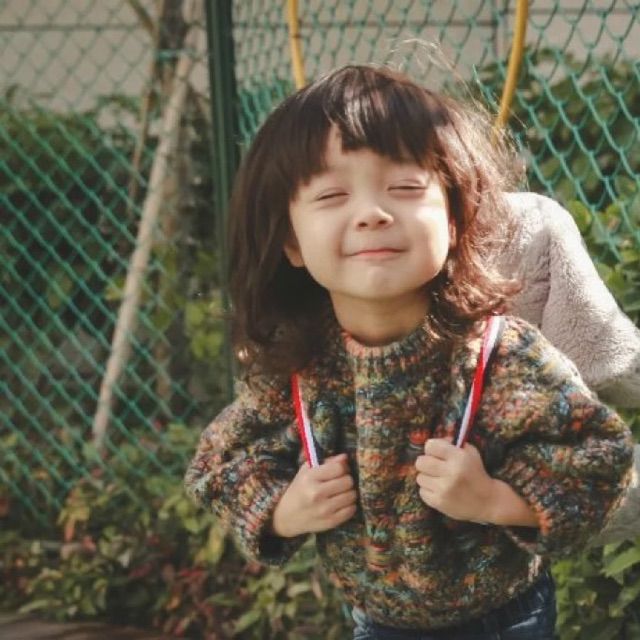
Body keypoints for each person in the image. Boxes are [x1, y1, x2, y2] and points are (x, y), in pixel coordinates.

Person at [185, 65, 634, 639]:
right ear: (291, 242)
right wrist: (284, 511)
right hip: (375, 623)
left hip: (507, 619)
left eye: (404, 188)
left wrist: (496, 500)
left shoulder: (501, 358)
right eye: (332, 195)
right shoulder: (299, 369)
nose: (372, 212)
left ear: (454, 218)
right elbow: (219, 465)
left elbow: (600, 459)